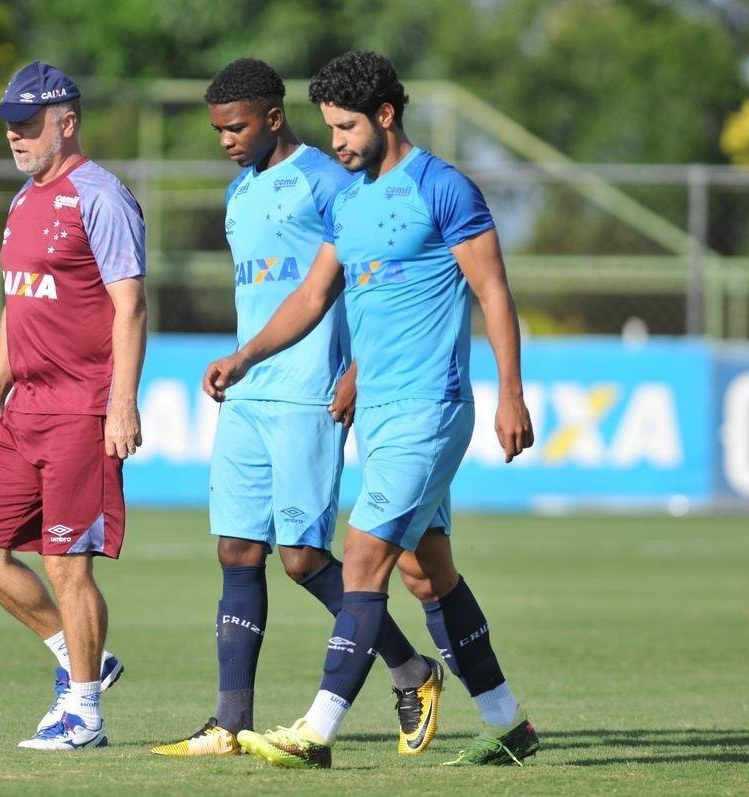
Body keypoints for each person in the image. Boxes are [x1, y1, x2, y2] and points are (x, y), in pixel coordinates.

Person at [204, 51, 540, 769]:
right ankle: (508, 722)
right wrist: (248, 356)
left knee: (361, 554)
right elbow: (311, 298)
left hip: (431, 406)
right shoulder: (351, 201)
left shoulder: (443, 188)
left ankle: (316, 731)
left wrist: (512, 391)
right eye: (330, 127)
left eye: (348, 126)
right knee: (428, 573)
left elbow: (494, 292)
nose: (338, 142)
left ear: (386, 116)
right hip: (379, 412)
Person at [151, 58, 443, 760]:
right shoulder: (239, 194)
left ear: (273, 118)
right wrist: (239, 359)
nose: (225, 139)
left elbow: (369, 277)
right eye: (218, 128)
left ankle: (412, 669)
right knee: (236, 550)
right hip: (248, 390)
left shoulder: (328, 180)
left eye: (237, 126)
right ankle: (228, 722)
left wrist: (357, 366)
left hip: (310, 390)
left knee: (304, 557)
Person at [0, 60, 147, 752]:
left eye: (28, 124)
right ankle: (81, 661)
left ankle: (85, 714)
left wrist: (122, 402)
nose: (15, 136)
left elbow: (130, 305)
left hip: (80, 408)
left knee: (69, 564)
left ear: (67, 122)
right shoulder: (21, 200)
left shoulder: (101, 196)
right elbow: (18, 303)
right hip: (25, 407)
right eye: (9, 125)